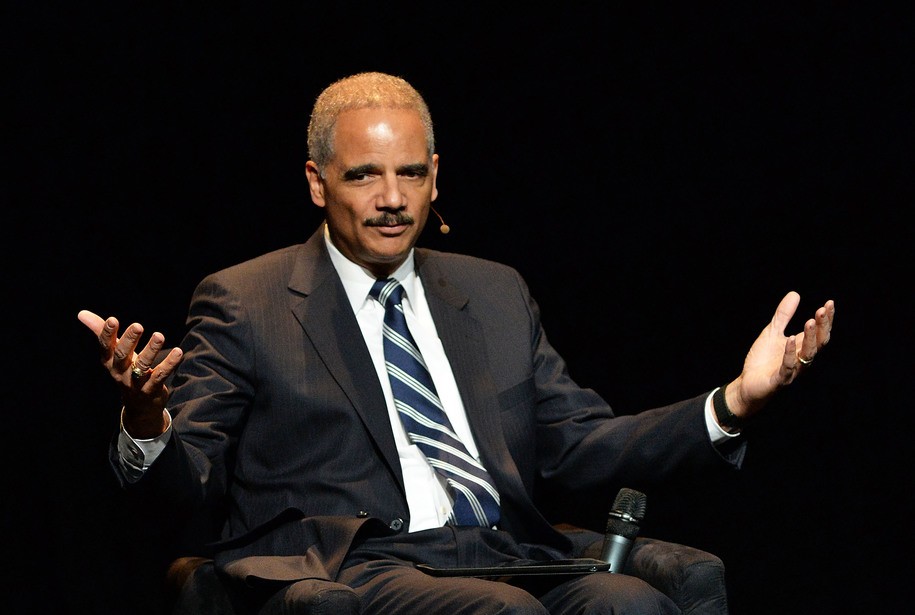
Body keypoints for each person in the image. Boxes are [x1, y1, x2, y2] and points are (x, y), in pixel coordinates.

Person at [78, 71, 835, 614]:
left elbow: (580, 444)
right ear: (317, 182)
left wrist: (732, 402)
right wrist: (147, 425)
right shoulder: (247, 299)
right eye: (364, 176)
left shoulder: (493, 291)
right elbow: (192, 483)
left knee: (627, 600)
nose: (391, 199)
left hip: (503, 549)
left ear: (435, 175)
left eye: (411, 173)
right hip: (357, 563)